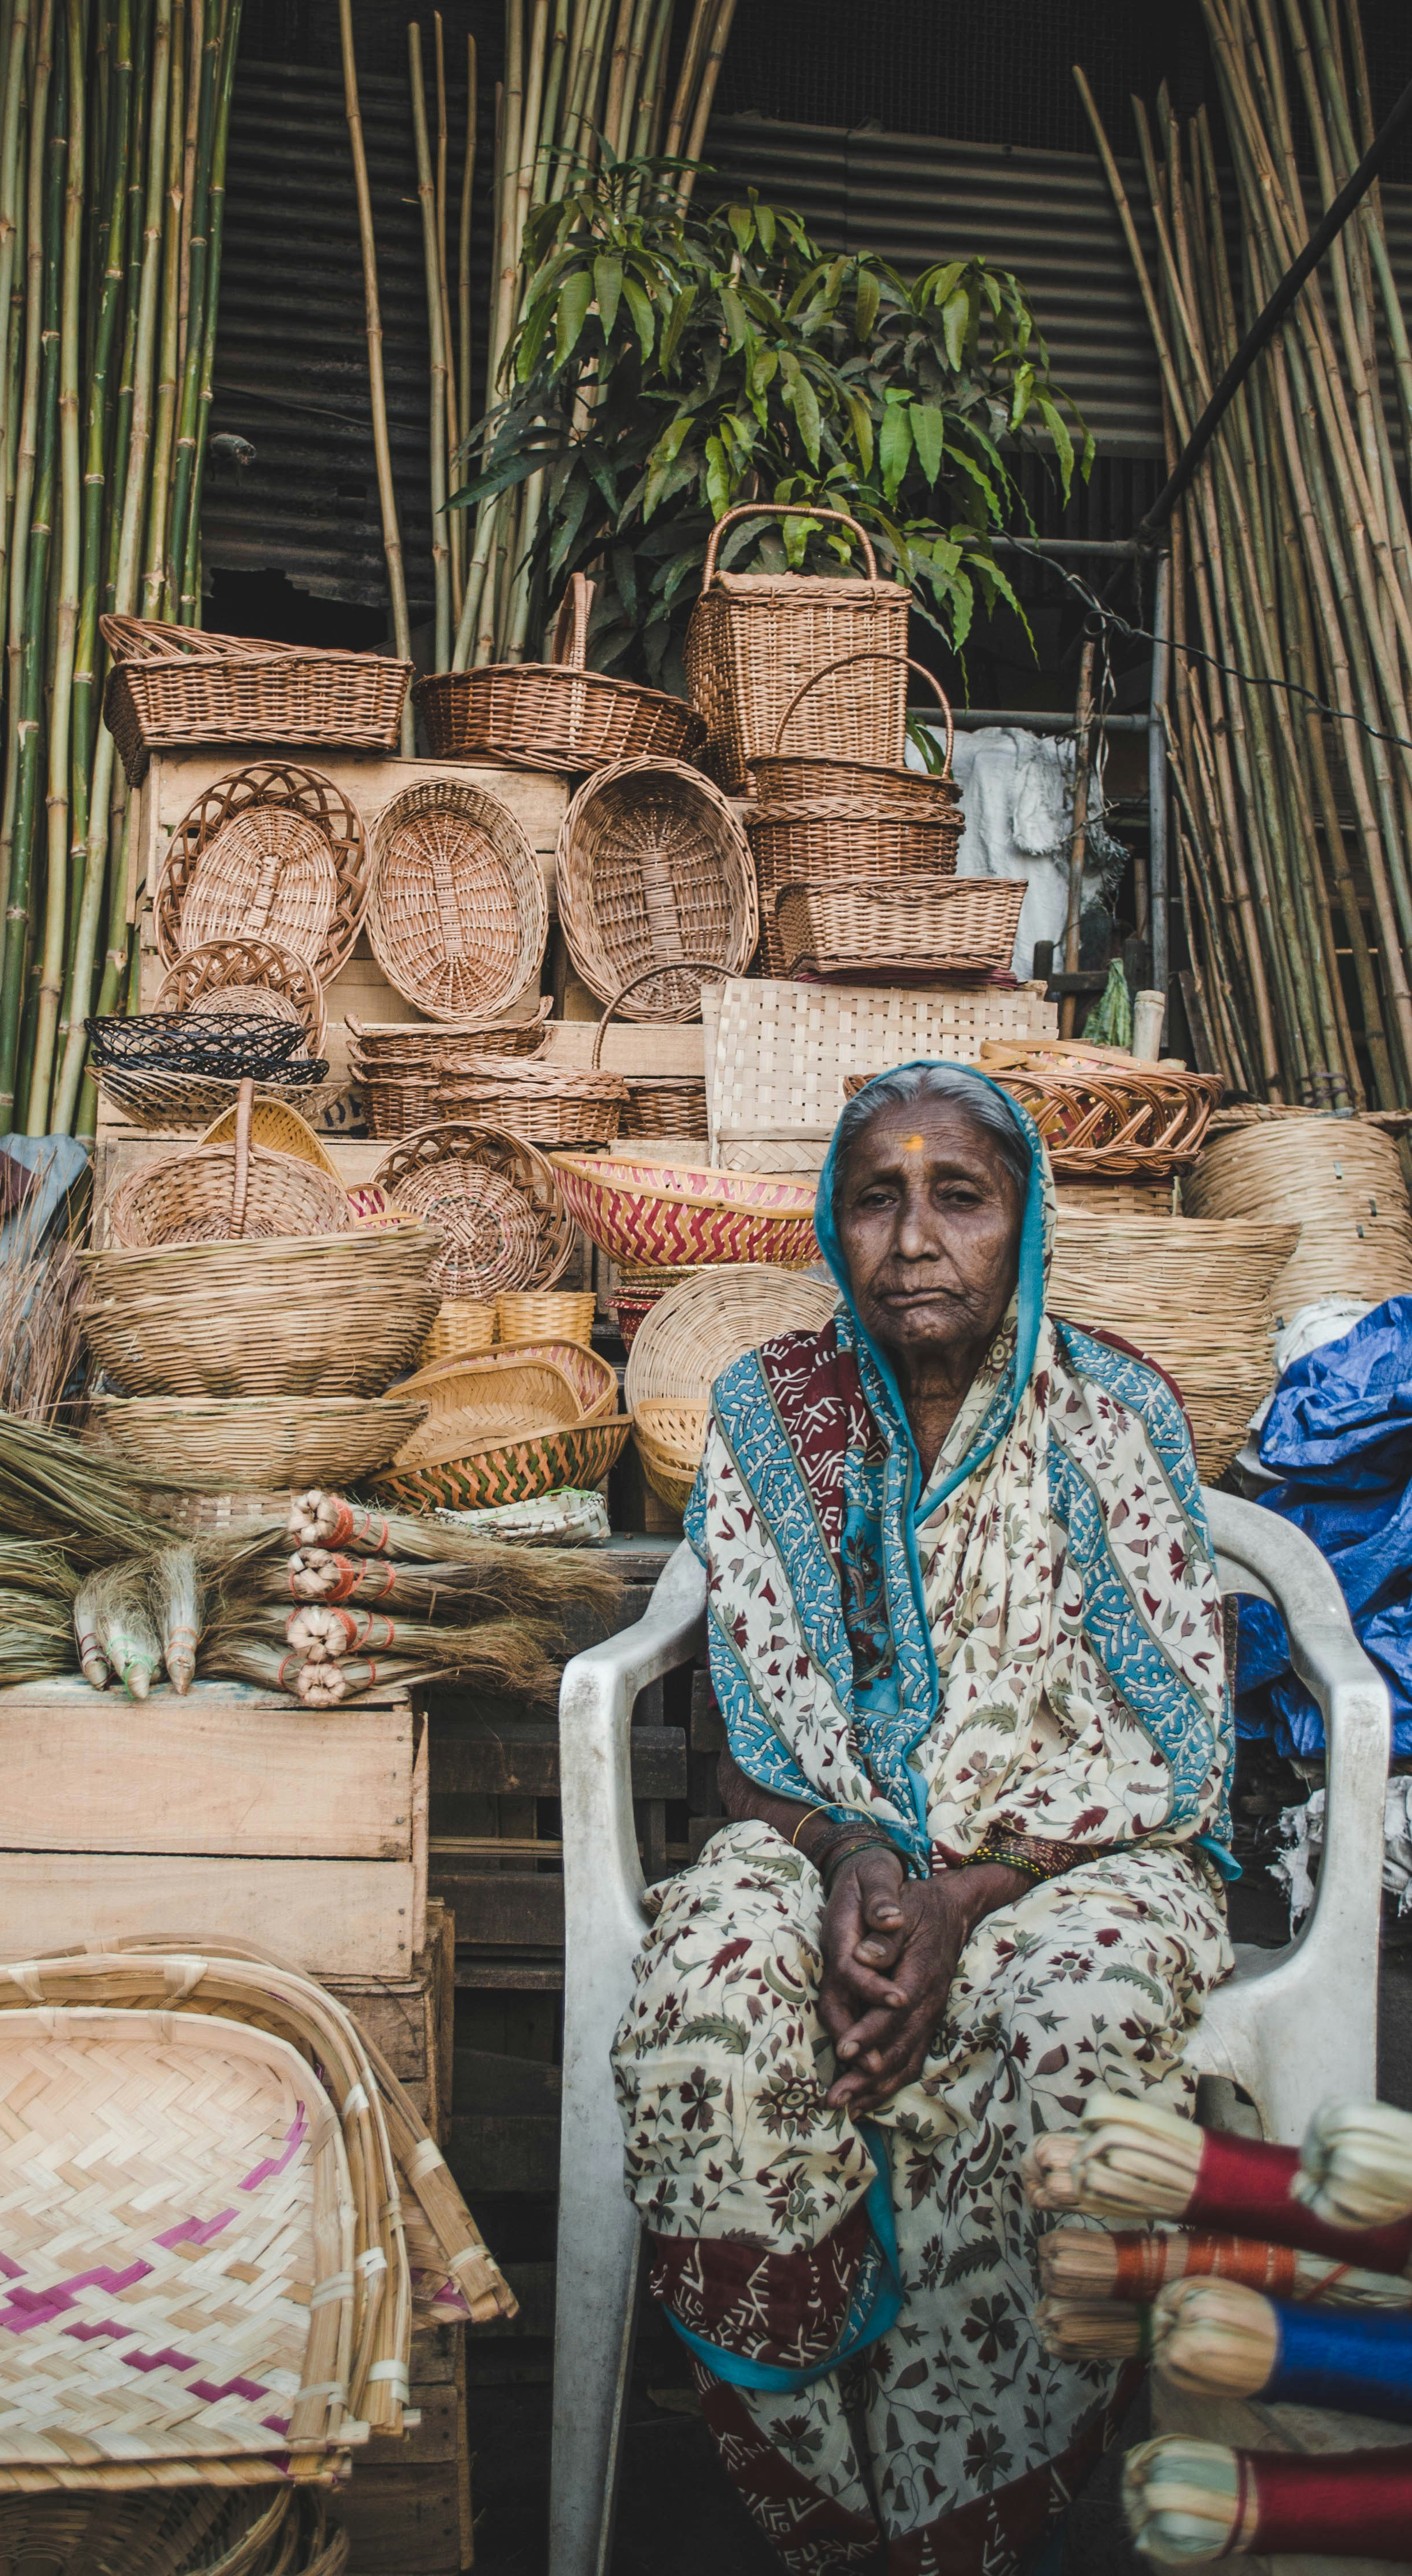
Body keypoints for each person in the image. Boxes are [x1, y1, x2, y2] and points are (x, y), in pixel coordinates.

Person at [612, 1061, 1236, 2576]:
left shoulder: (1112, 1407)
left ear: (1022, 1222)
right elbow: (748, 1731)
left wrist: (963, 1897)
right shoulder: (770, 1413)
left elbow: (1179, 1740)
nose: (913, 1235)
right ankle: (827, 2513)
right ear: (832, 1222)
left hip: (1080, 1858)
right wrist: (863, 1860)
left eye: (959, 1194)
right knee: (707, 1986)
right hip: (823, 1848)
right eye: (875, 1195)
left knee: (1079, 2012)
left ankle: (975, 2503)